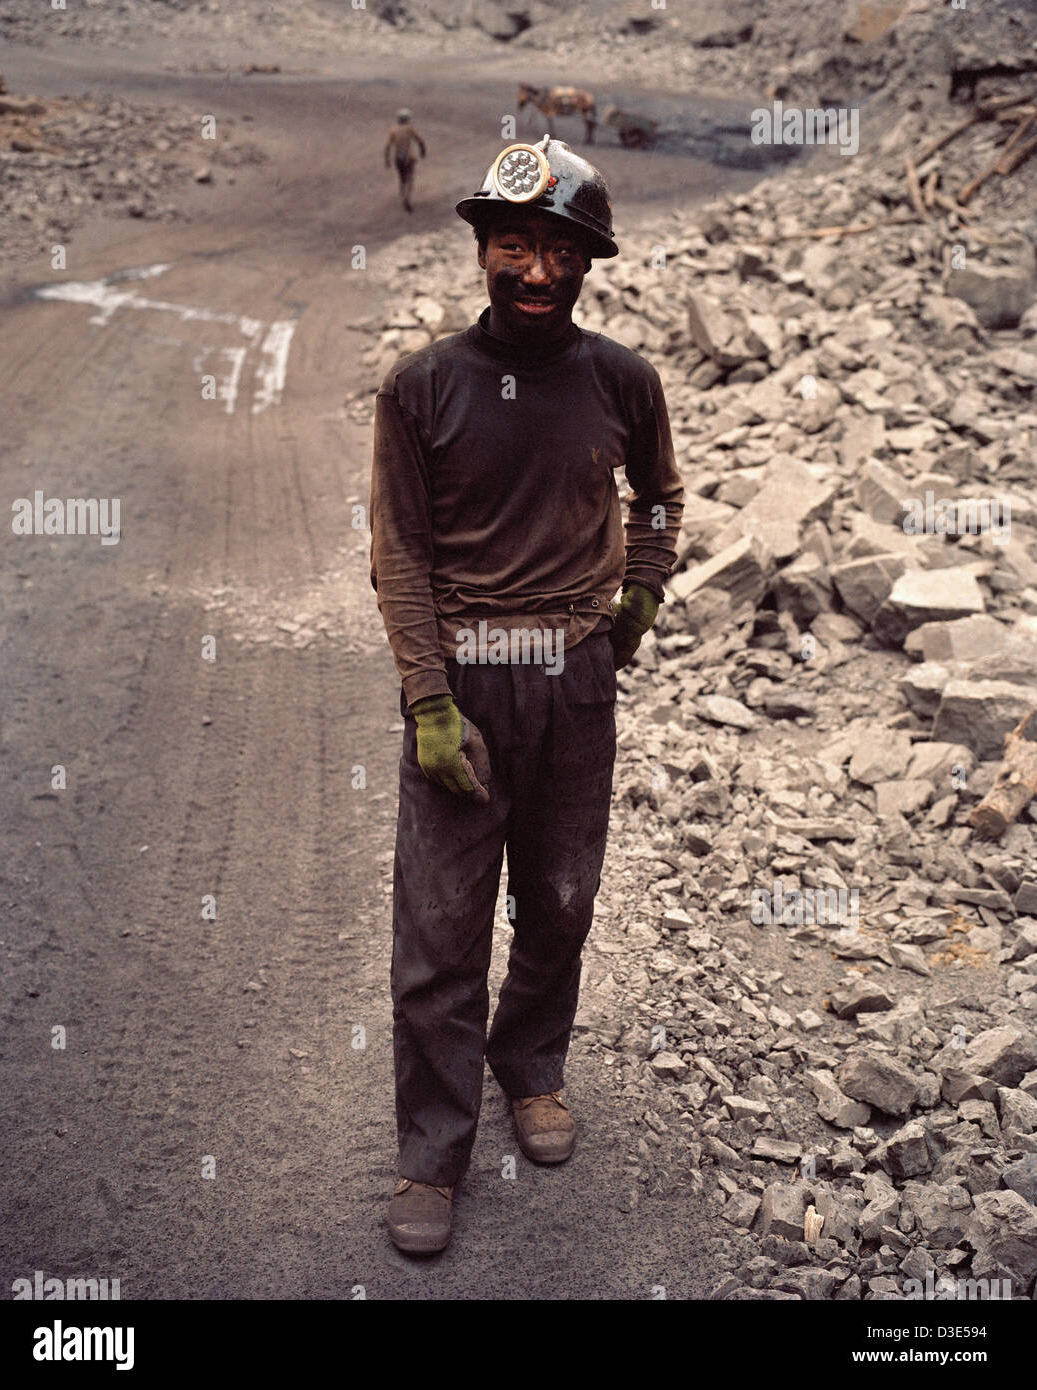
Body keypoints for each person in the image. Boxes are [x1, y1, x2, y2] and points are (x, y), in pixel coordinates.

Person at [369, 135, 684, 1254]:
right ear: (482, 251)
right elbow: (400, 554)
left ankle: (531, 1066)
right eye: (514, 246)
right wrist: (427, 700)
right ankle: (430, 1153)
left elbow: (657, 500)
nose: (536, 272)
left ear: (589, 259)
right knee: (440, 932)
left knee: (559, 900)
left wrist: (639, 597)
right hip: (463, 681)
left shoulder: (621, 381)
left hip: (575, 680)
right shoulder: (422, 387)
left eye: (559, 249)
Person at [384, 108, 426, 212]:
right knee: (410, 178)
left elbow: (387, 146)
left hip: (398, 157)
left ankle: (403, 196)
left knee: (402, 178)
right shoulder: (409, 128)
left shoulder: (393, 130)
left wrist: (387, 160)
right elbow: (420, 141)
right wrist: (422, 151)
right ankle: (407, 197)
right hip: (409, 157)